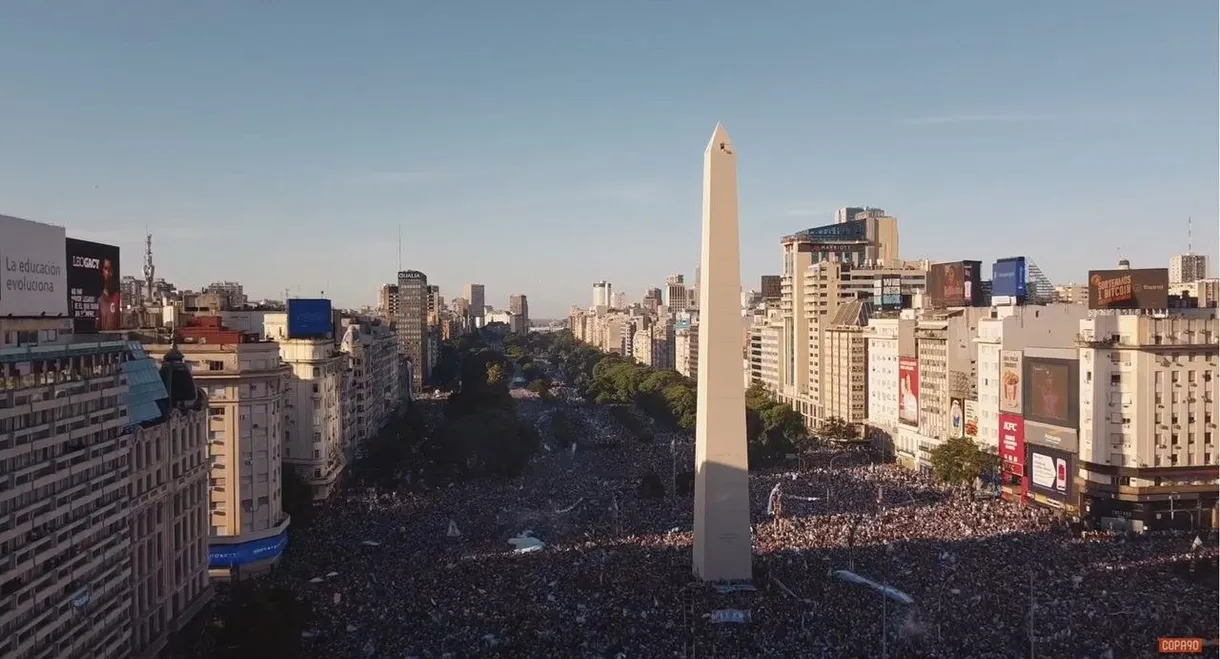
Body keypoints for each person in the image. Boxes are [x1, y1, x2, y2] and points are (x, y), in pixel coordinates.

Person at [96, 257, 120, 330]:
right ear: (102, 271)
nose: (108, 273)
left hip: (115, 336)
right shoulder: (100, 299)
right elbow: (97, 324)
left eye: (110, 270)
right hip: (103, 337)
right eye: (106, 269)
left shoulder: (117, 297)